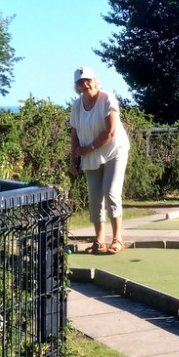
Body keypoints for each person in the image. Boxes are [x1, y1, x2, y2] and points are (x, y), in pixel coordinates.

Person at [69, 66, 131, 254]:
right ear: (77, 86)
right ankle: (98, 240)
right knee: (95, 196)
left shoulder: (107, 99)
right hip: (90, 156)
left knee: (110, 192)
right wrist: (73, 162)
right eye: (80, 82)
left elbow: (110, 132)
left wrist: (89, 148)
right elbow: (74, 135)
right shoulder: (77, 106)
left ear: (95, 80)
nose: (85, 84)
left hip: (114, 151)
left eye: (87, 80)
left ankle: (117, 239)